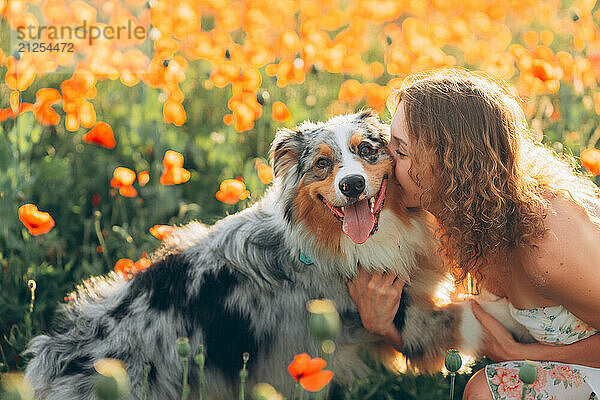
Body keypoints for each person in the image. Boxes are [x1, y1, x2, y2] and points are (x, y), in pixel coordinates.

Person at [347, 68, 600, 400]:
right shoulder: (450, 218)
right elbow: (451, 342)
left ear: (452, 166)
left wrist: (520, 355)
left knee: (484, 391)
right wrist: (383, 326)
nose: (386, 162)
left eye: (402, 151)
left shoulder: (548, 241)